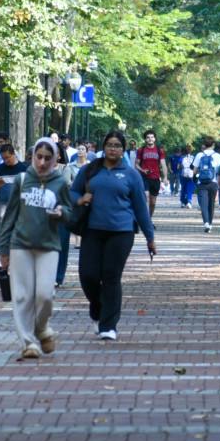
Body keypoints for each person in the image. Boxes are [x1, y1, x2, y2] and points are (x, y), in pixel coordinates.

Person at [70, 129, 157, 341]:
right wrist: (81, 199)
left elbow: (140, 208)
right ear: (103, 147)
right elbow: (73, 191)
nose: (113, 149)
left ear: (123, 150)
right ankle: (98, 309)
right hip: (92, 229)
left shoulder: (131, 175)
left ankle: (108, 325)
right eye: (110, 144)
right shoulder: (91, 170)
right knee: (88, 275)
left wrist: (150, 237)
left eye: (118, 145)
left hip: (121, 232)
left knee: (111, 276)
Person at [0, 139, 73, 359]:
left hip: (48, 245)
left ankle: (41, 327)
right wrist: (4, 250)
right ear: (32, 157)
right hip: (21, 245)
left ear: (55, 159)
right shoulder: (22, 180)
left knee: (45, 295)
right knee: (22, 296)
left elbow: (70, 212)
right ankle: (29, 343)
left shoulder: (60, 182)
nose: (42, 162)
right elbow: (9, 217)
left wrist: (62, 213)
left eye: (48, 158)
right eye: (38, 157)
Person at [193, 139, 220, 229]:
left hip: (201, 183)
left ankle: (206, 222)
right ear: (213, 145)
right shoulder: (218, 156)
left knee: (203, 204)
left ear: (204, 145)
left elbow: (194, 171)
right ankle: (210, 223)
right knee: (211, 204)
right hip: (213, 182)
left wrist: (195, 178)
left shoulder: (199, 155)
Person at [136, 130, 167, 213]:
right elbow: (136, 165)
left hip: (155, 178)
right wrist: (143, 170)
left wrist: (165, 177)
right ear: (145, 139)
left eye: (152, 137)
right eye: (148, 137)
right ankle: (144, 220)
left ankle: (149, 220)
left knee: (152, 203)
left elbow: (163, 164)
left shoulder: (159, 150)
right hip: (144, 178)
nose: (150, 139)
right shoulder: (141, 150)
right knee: (145, 198)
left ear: (155, 139)